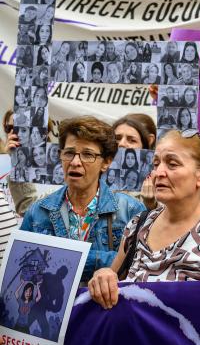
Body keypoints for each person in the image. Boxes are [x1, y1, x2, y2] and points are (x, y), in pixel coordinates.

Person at [88, 130, 200, 309]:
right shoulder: (139, 223)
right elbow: (112, 281)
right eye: (156, 164)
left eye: (172, 164)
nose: (159, 172)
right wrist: (104, 277)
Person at [20, 116, 145, 281]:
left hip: (105, 306)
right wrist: (108, 259)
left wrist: (59, 258)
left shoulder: (130, 210)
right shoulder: (38, 211)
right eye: (69, 153)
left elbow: (140, 267)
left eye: (87, 155)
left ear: (106, 162)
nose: (75, 162)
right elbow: (22, 267)